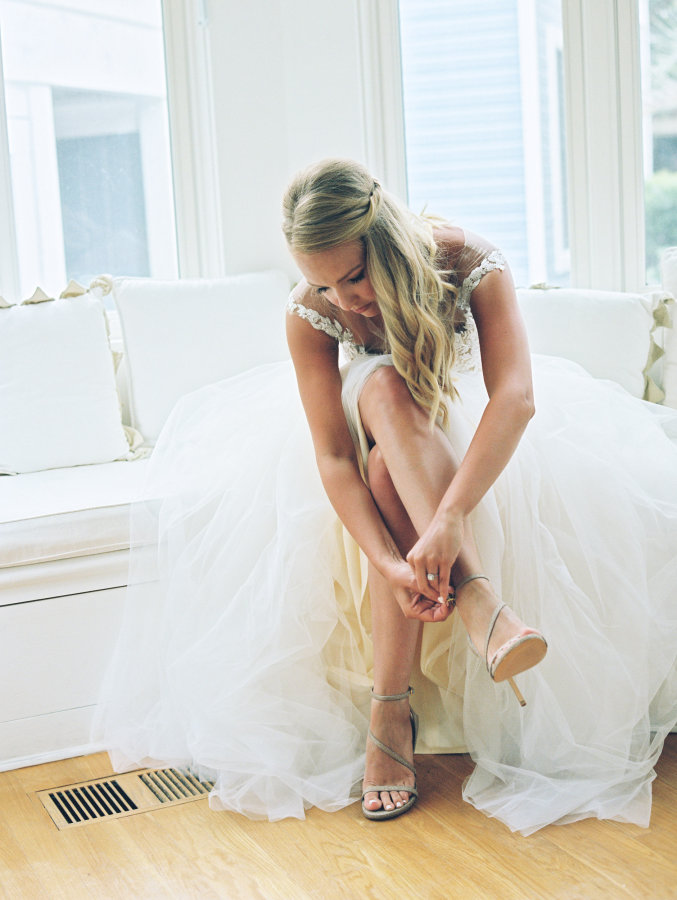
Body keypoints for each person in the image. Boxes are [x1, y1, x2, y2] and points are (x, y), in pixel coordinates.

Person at [95, 158, 677, 835]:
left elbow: (514, 401)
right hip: (366, 430)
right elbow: (334, 456)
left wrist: (451, 517)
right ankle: (481, 603)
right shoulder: (310, 314)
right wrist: (387, 562)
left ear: (388, 244)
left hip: (460, 445)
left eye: (352, 276)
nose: (342, 300)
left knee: (387, 480)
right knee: (379, 388)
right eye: (320, 283)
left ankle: (388, 709)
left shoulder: (468, 262)